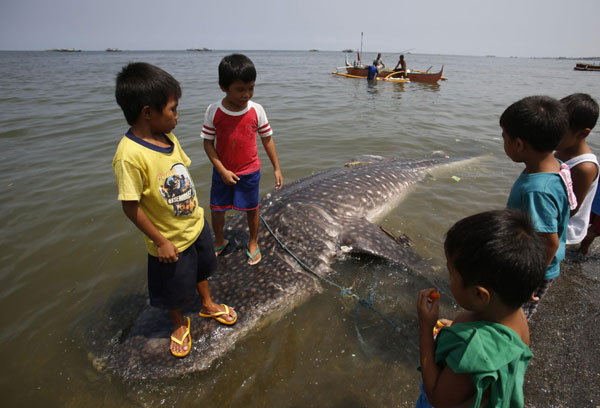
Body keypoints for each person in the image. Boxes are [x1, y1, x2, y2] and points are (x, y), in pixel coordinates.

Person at [112, 62, 237, 359]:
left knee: (202, 270)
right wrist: (161, 241)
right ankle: (179, 324)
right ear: (147, 112)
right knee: (173, 288)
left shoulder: (168, 138)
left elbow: (181, 176)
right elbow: (131, 207)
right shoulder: (129, 156)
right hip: (169, 240)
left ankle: (207, 305)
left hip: (195, 225)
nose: (177, 117)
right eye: (173, 110)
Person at [416, 209, 546, 408]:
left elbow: (437, 398)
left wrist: (426, 327)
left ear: (479, 295)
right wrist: (455, 328)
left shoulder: (474, 349)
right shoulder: (515, 314)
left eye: (451, 274)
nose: (449, 281)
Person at [201, 53, 283, 265]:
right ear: (223, 87)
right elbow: (208, 143)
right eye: (240, 89)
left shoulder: (257, 110)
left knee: (251, 209)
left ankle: (253, 242)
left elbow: (267, 139)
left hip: (249, 171)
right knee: (217, 209)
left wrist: (276, 168)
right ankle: (219, 240)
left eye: (251, 88)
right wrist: (221, 170)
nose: (247, 94)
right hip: (223, 171)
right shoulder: (214, 111)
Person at [501, 95, 573, 319]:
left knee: (515, 315)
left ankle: (511, 348)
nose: (503, 142)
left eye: (504, 137)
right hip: (540, 262)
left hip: (534, 269)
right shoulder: (558, 167)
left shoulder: (536, 190)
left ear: (519, 144)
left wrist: (530, 281)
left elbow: (548, 242)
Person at [554, 93, 599, 247]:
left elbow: (570, 210)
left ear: (583, 133)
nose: (552, 135)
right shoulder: (560, 149)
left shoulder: (584, 167)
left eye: (559, 131)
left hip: (565, 230)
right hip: (552, 220)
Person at [579, 187, 600, 255]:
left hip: (596, 195)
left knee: (594, 230)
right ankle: (582, 252)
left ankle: (582, 251)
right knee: (595, 231)